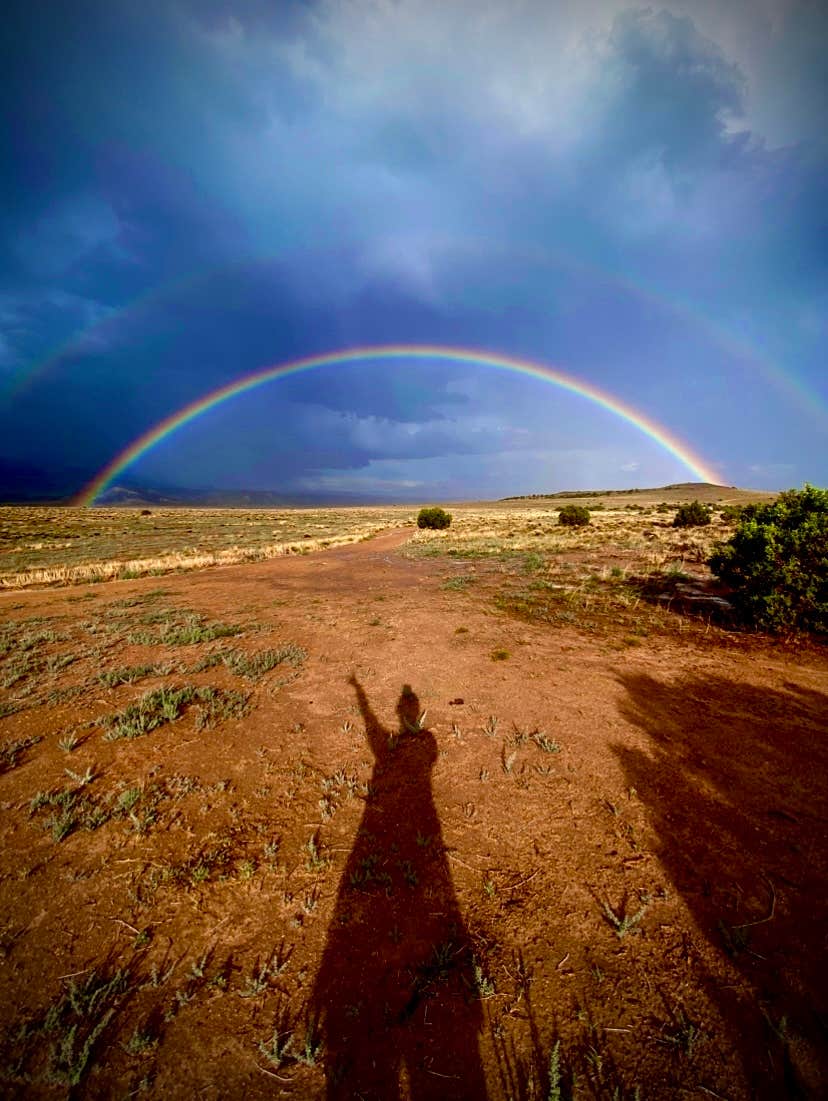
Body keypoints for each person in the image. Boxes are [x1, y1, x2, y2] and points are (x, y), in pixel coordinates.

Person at [309, 675, 487, 1099]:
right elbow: (381, 737)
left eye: (408, 706)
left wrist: (358, 694)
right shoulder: (425, 744)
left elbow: (376, 738)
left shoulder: (418, 744)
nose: (406, 711)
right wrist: (356, 693)